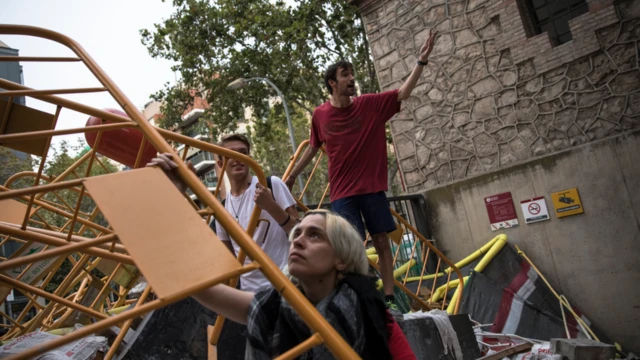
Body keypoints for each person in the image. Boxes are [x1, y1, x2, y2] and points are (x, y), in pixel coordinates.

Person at [284, 30, 439, 316]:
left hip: (372, 188)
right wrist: (293, 175)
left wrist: (421, 61)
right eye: (346, 74)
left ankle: (389, 298)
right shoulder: (320, 114)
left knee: (381, 243)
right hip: (343, 192)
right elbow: (314, 147)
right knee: (348, 249)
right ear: (333, 83)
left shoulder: (370, 105)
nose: (352, 78)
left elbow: (403, 93)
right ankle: (359, 296)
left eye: (353, 73)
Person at [192, 209, 416, 359]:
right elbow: (197, 284)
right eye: (296, 234)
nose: (298, 240)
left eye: (315, 235)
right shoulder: (273, 306)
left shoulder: (370, 315)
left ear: (342, 259)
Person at [147, 133, 298, 292]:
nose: (238, 158)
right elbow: (227, 262)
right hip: (252, 294)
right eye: (230, 155)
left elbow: (299, 232)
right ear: (220, 163)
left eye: (242, 153)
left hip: (285, 284)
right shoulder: (222, 208)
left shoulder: (270, 185)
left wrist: (271, 207)